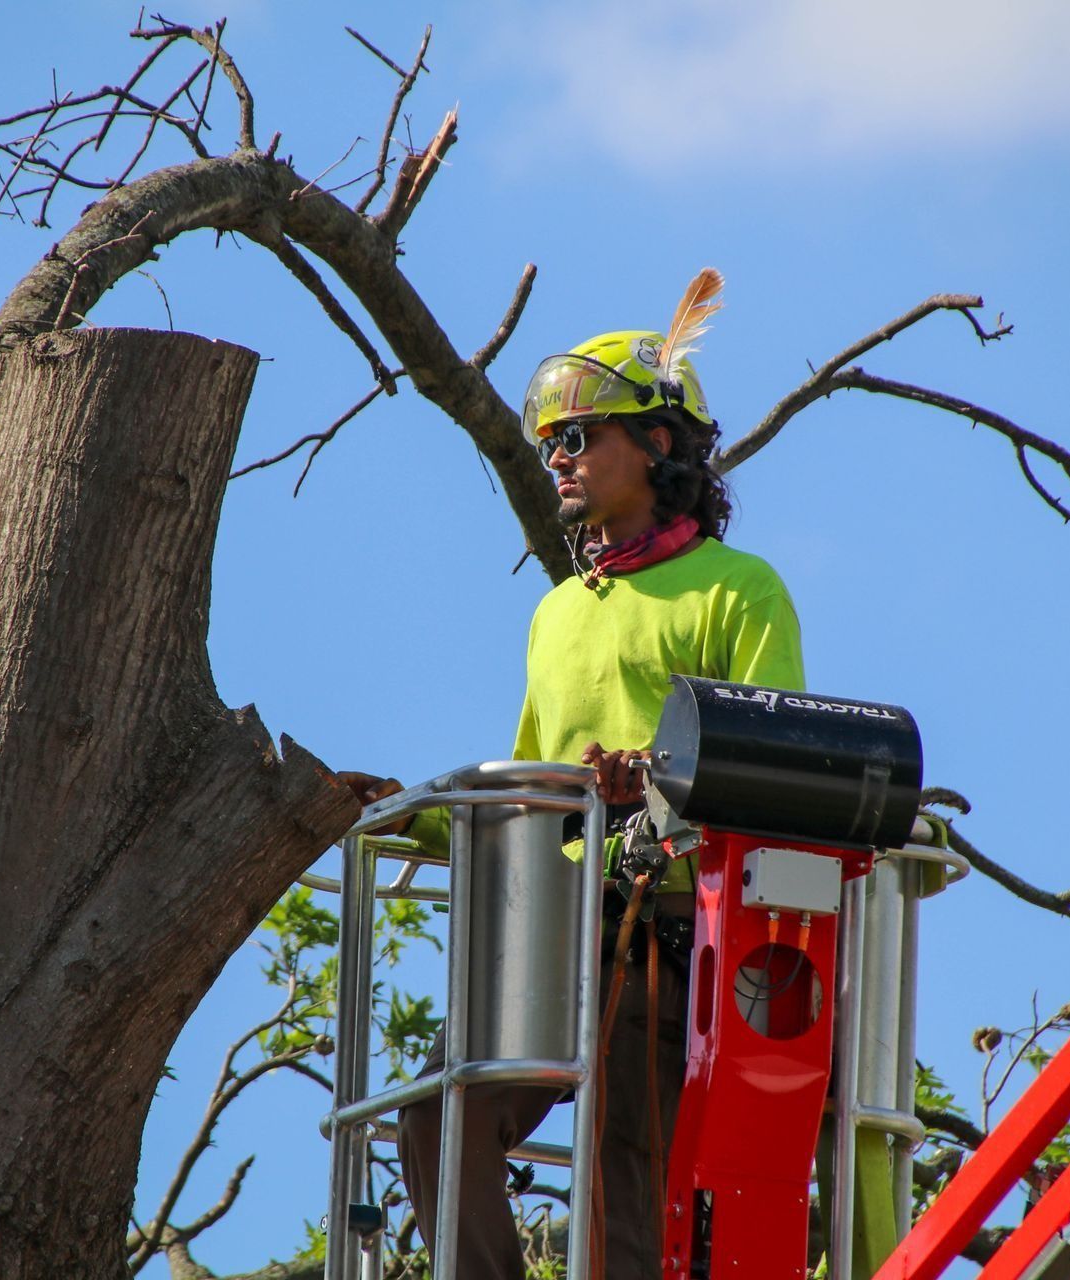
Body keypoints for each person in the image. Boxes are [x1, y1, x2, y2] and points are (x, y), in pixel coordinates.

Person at [339, 274, 804, 1280]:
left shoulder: (737, 588)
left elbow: (779, 766)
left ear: (661, 446)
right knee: (438, 1114)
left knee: (620, 1165)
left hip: (673, 928)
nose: (559, 457)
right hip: (557, 932)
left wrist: (661, 777)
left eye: (582, 436)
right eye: (552, 442)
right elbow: (530, 790)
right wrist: (402, 816)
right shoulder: (558, 613)